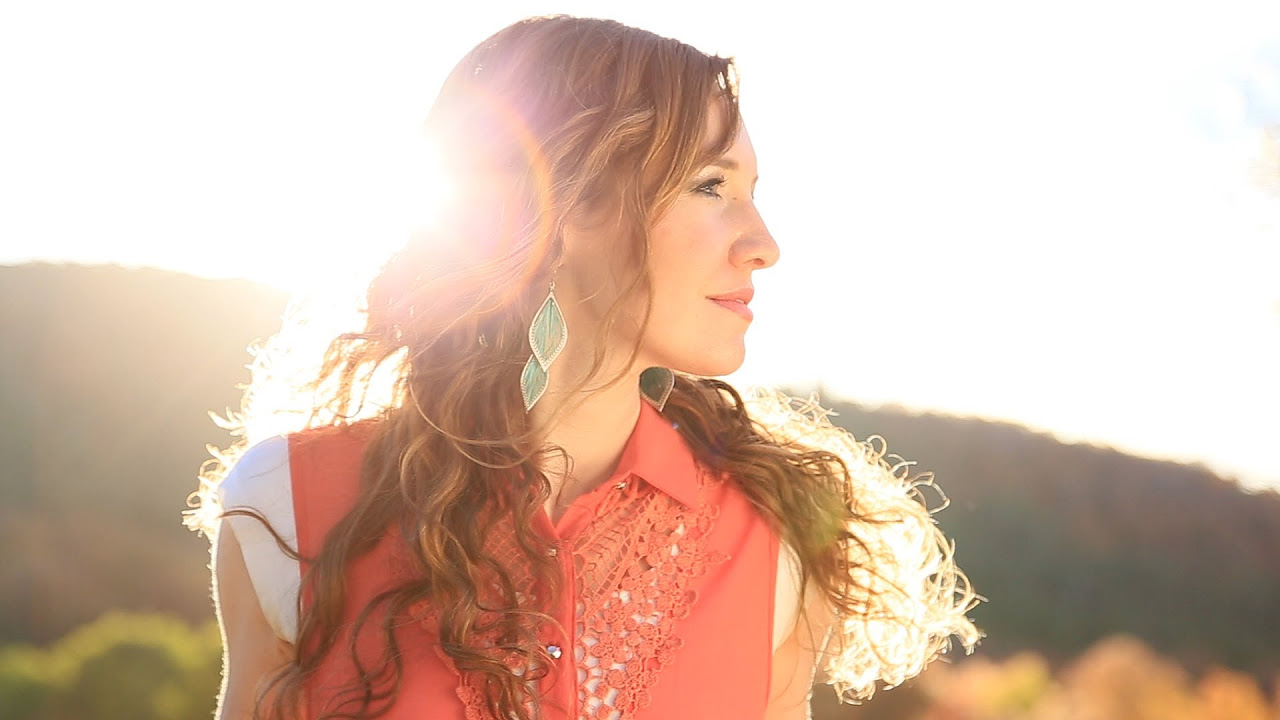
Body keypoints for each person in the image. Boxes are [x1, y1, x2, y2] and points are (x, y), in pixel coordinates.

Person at [187, 15, 979, 720]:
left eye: (751, 191)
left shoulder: (775, 542)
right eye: (711, 186)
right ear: (564, 208)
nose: (763, 244)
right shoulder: (290, 501)